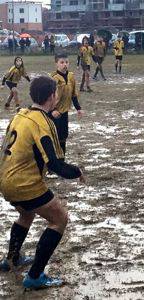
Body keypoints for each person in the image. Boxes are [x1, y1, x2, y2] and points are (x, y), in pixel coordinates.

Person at [0, 75, 85, 289]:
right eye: (56, 93)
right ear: (52, 96)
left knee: (26, 213)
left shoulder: (21, 114)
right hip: (24, 183)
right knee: (60, 218)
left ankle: (12, 258)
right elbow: (56, 165)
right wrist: (77, 172)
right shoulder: (44, 122)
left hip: (5, 180)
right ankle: (35, 276)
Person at [51, 52, 83, 158]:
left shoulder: (71, 76)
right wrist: (52, 110)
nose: (65, 64)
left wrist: (78, 108)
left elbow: (73, 94)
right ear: (56, 64)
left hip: (64, 112)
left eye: (67, 62)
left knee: (63, 137)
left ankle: (61, 160)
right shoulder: (53, 78)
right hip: (53, 112)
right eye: (62, 62)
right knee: (53, 137)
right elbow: (47, 97)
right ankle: (52, 163)